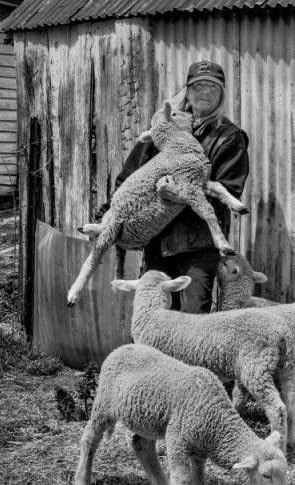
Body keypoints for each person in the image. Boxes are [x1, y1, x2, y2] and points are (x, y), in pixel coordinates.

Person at [96, 60, 250, 313]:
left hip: (198, 245)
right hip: (158, 239)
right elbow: (130, 176)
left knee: (192, 321)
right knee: (153, 313)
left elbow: (230, 191)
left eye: (213, 87)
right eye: (198, 85)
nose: (205, 92)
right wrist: (106, 215)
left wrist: (182, 196)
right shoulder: (164, 127)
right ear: (187, 91)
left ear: (222, 94)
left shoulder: (229, 138)